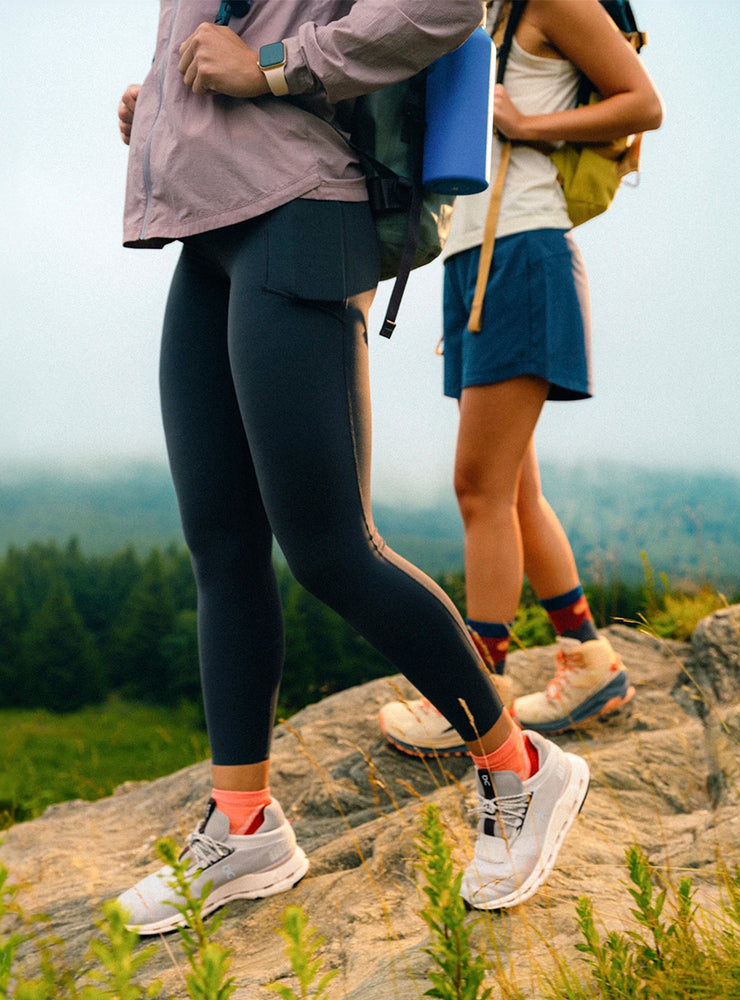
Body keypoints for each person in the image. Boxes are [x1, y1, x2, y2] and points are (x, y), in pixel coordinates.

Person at [113, 0, 590, 929]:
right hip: (215, 222)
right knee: (222, 541)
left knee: (331, 547)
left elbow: (443, 6)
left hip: (302, 208)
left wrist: (274, 66)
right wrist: (166, 112)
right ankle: (245, 824)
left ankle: (522, 770)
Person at [379, 0, 663, 756]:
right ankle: (588, 660)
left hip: (524, 251)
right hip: (474, 259)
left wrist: (528, 126)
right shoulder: (486, 13)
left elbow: (643, 103)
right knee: (513, 491)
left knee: (478, 487)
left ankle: (474, 697)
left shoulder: (552, 1)